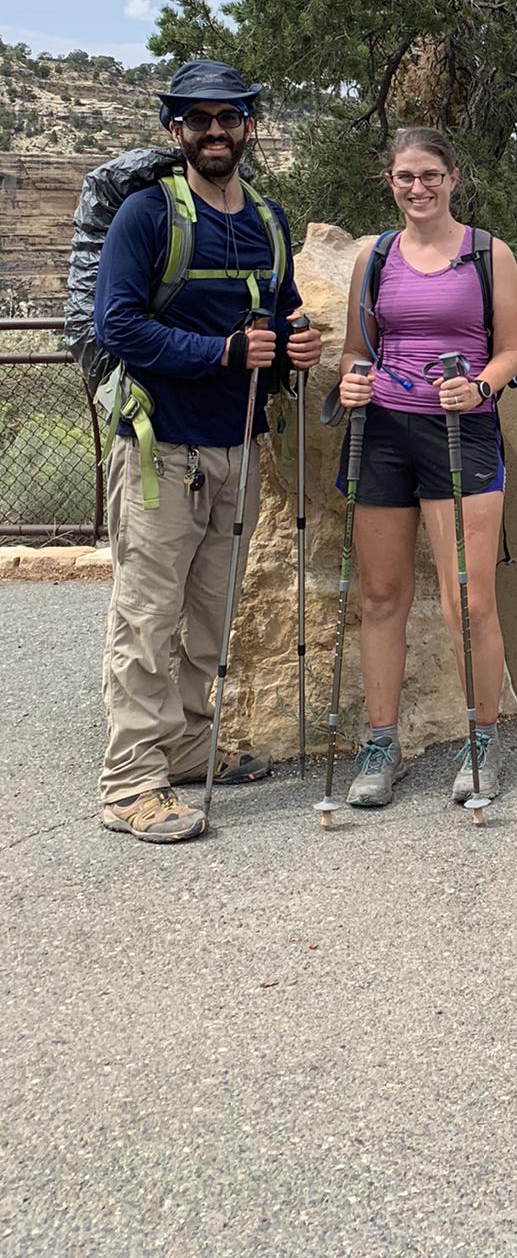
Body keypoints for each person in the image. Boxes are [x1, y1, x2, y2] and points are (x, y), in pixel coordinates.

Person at [93, 59, 323, 841]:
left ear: (248, 127)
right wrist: (222, 354)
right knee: (147, 618)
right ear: (175, 131)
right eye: (199, 120)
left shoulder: (268, 220)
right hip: (161, 451)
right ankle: (129, 785)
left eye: (228, 118)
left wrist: (296, 342)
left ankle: (190, 748)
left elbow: (282, 310)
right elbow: (117, 328)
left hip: (238, 446)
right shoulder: (147, 216)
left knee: (210, 618)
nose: (215, 131)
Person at [335, 127, 517, 809]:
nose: (417, 188)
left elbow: (510, 352)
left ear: (453, 178)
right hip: (383, 430)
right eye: (404, 177)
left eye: (430, 176)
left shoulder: (487, 254)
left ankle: (482, 738)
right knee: (382, 596)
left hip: (462, 433)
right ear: (389, 182)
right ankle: (381, 743)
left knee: (467, 601)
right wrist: (353, 380)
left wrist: (479, 387)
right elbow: (360, 348)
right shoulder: (375, 257)